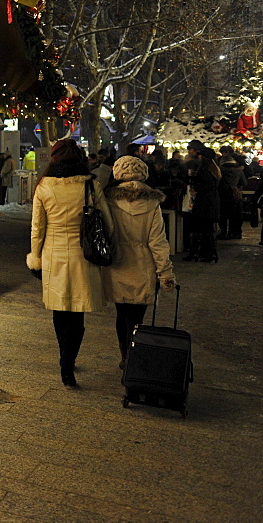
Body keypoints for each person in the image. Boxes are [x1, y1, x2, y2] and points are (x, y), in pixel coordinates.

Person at [27, 139, 113, 388]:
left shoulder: (44, 186)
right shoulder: (90, 185)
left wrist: (36, 257)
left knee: (59, 310)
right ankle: (69, 361)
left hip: (54, 255)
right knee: (77, 315)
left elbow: (37, 228)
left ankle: (65, 360)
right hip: (83, 256)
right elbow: (107, 223)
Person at [101, 156, 176, 370]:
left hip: (117, 263)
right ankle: (134, 354)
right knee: (137, 317)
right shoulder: (152, 203)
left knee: (121, 313)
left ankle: (124, 354)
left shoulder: (109, 200)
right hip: (143, 266)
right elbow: (158, 242)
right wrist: (165, 273)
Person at [184, 147, 221, 262]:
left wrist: (195, 187)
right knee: (207, 229)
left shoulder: (204, 169)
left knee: (197, 227)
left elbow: (205, 185)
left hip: (203, 202)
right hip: (212, 202)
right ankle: (208, 253)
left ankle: (195, 252)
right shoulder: (215, 169)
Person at [217, 146, 247, 239]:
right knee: (235, 214)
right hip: (235, 193)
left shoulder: (220, 170)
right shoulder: (239, 170)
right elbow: (244, 183)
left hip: (223, 193)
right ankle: (233, 232)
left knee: (223, 214)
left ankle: (223, 232)